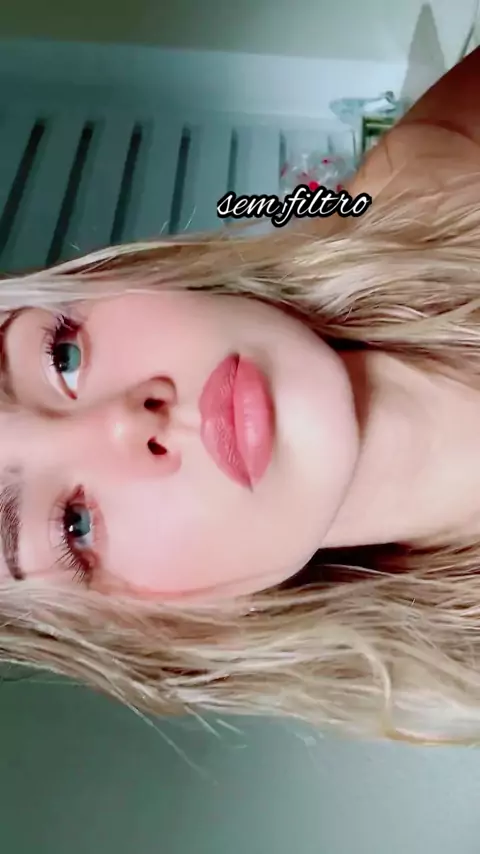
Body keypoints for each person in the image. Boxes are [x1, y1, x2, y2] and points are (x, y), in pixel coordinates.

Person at [2, 48, 480, 746]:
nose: (125, 421)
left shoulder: (429, 176)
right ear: (170, 628)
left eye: (60, 355)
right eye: (74, 529)